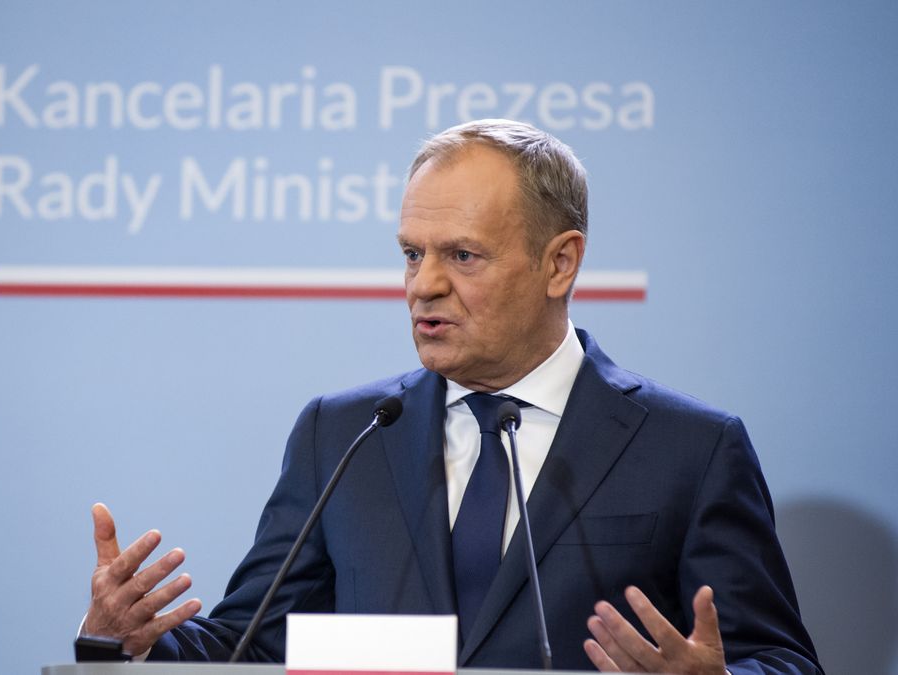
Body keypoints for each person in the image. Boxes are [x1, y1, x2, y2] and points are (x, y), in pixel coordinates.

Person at [80, 119, 822, 673]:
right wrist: (127, 640)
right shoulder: (342, 434)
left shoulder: (689, 449)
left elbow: (781, 658)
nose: (424, 284)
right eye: (412, 254)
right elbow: (249, 645)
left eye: (462, 255)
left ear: (559, 262)